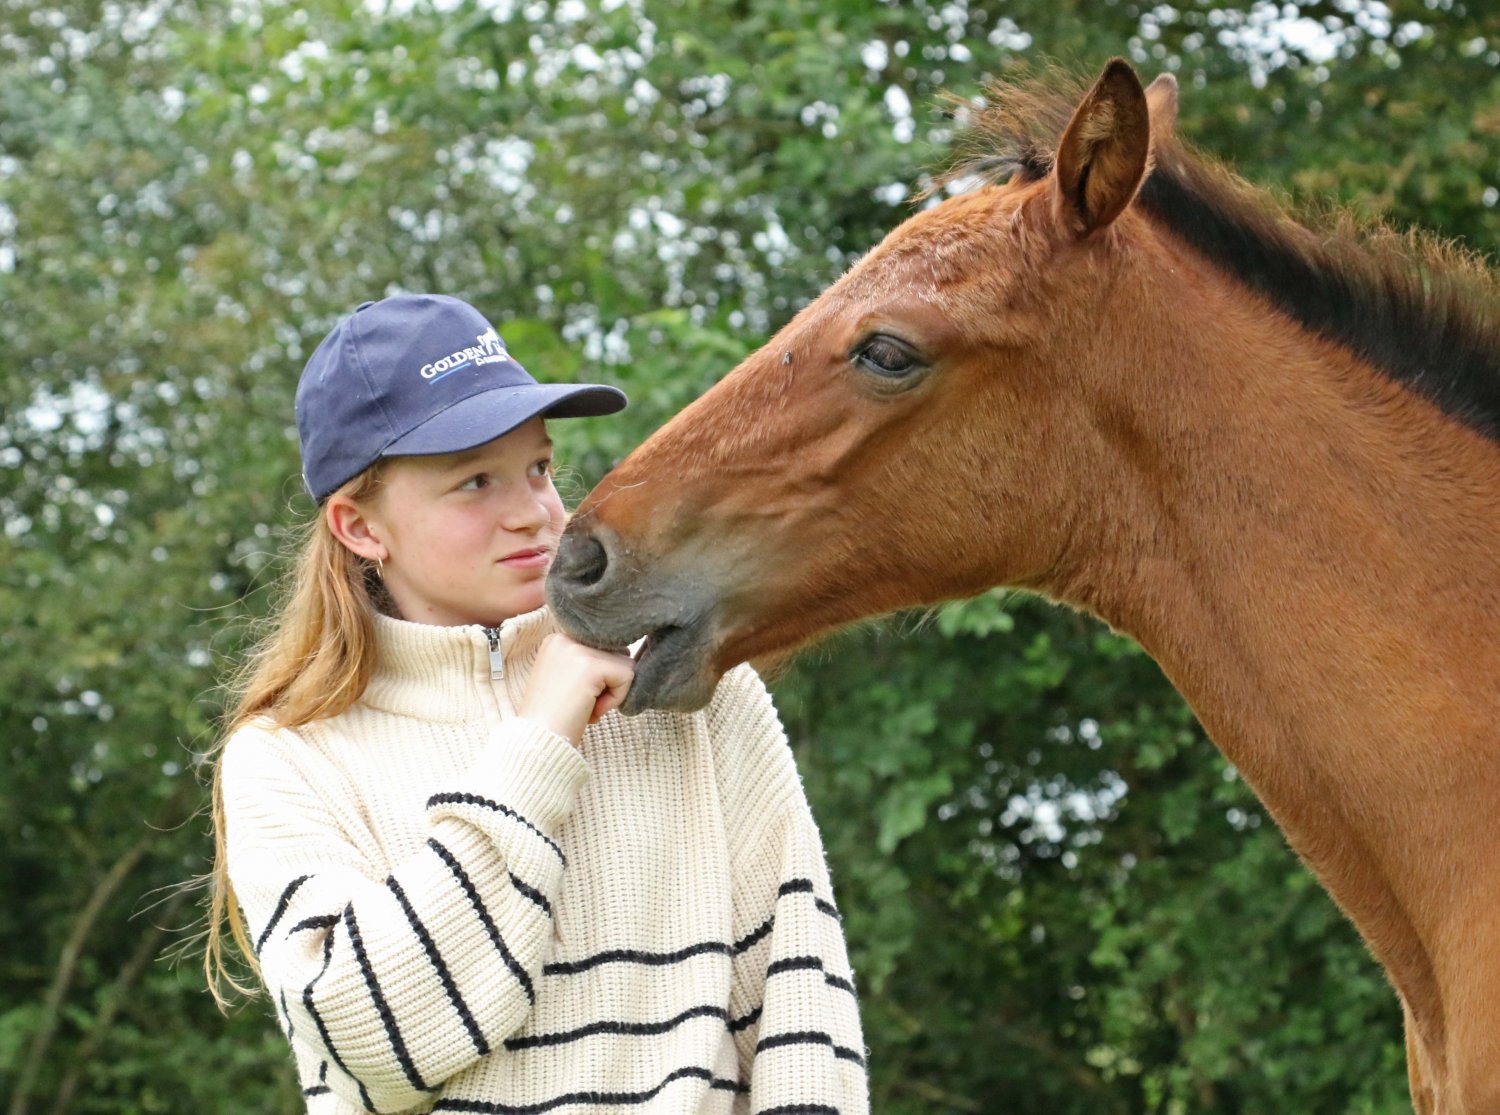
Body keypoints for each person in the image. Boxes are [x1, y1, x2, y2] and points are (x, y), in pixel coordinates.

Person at [204, 294, 868, 1115]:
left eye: (539, 468)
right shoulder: (288, 755)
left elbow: (804, 1011)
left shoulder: (685, 686)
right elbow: (375, 1042)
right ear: (360, 527)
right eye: (474, 481)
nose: (534, 512)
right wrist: (540, 740)